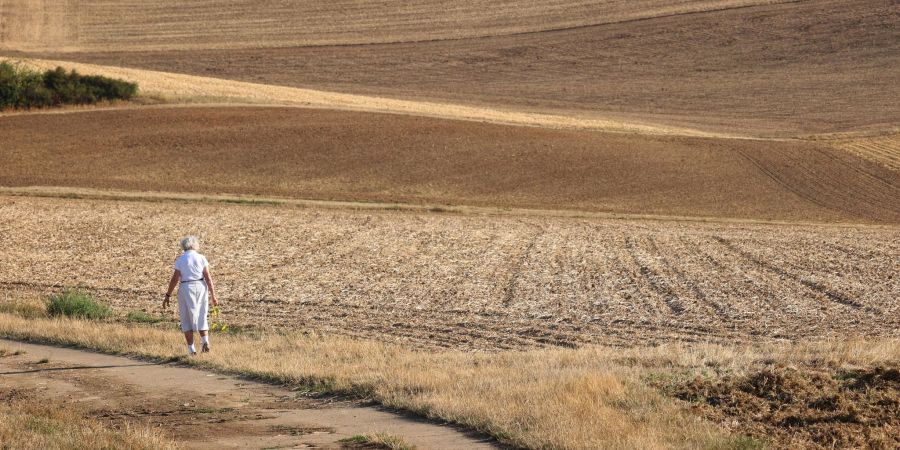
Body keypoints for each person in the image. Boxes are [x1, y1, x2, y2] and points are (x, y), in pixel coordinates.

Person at [163, 236, 219, 355]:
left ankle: (191, 349)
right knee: (202, 313)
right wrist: (213, 295)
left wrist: (168, 294)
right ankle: (205, 342)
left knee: (186, 317)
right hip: (200, 286)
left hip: (186, 287)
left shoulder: (181, 260)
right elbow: (208, 278)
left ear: (183, 246)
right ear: (195, 245)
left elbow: (175, 279)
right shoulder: (201, 258)